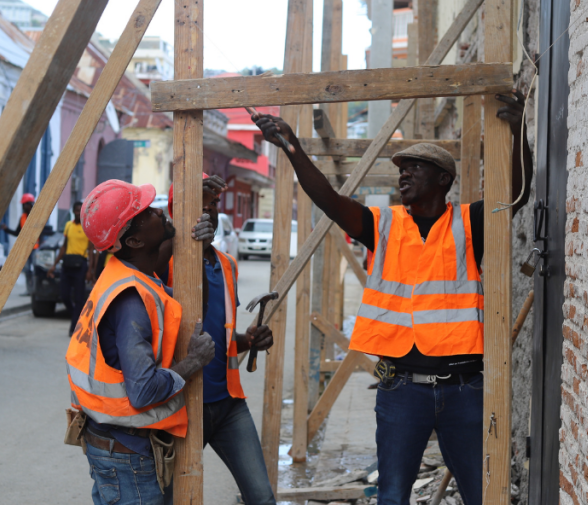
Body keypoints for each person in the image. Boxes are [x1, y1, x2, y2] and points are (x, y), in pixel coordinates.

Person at [251, 91, 532, 505]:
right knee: (393, 496)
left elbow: (516, 196)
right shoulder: (382, 226)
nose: (403, 175)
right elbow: (328, 201)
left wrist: (521, 130)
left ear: (443, 180)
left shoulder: (468, 224)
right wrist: (292, 148)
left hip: (464, 390)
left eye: (415, 168)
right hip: (401, 390)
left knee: (483, 495)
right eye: (401, 169)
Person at [66, 179, 217, 505]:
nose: (158, 211)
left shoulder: (130, 272)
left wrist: (197, 237)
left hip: (112, 443)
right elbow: (144, 391)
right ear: (134, 239)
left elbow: (193, 306)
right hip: (126, 454)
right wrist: (193, 361)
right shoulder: (131, 298)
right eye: (146, 211)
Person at [162, 175, 276, 505]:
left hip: (227, 405)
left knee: (262, 497)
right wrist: (185, 244)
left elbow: (222, 338)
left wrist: (249, 339)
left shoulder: (226, 265)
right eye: (204, 202)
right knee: (168, 498)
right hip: (182, 405)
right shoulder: (165, 263)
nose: (212, 209)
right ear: (179, 209)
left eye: (214, 203)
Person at [48, 201, 94, 336]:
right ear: (73, 211)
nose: (78, 212)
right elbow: (63, 247)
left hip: (81, 266)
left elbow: (91, 250)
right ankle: (77, 315)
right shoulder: (68, 226)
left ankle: (73, 327)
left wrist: (90, 270)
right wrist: (54, 264)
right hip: (67, 264)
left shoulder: (88, 228)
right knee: (64, 296)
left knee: (79, 298)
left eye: (81, 210)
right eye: (76, 210)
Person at [0, 193, 37, 295]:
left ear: (30, 204)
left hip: (35, 248)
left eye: (25, 204)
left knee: (36, 270)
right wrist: (6, 230)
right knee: (27, 270)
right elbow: (17, 233)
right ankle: (29, 290)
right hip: (25, 248)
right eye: (23, 204)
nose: (24, 207)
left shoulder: (37, 216)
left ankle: (35, 290)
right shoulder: (22, 217)